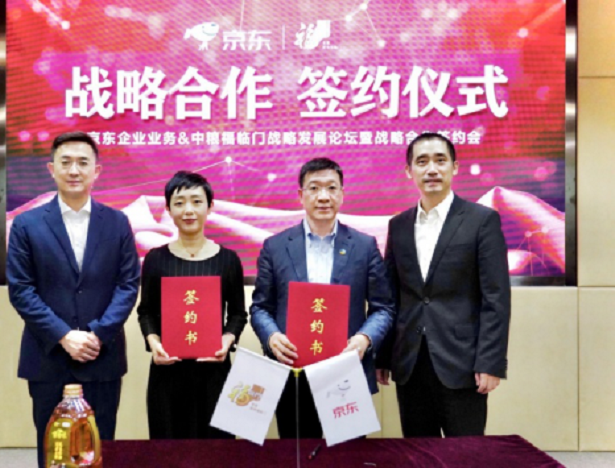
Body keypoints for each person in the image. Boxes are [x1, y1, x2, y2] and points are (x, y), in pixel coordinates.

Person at [7, 131, 140, 467]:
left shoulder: (118, 222)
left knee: (99, 449)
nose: (74, 170)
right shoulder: (26, 224)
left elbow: (128, 285)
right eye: (65, 162)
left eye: (83, 162)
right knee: (53, 451)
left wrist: (97, 334)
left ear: (97, 171)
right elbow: (21, 290)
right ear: (51, 169)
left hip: (101, 356)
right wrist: (64, 336)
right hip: (48, 357)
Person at [376, 132, 511, 438]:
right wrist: (383, 357)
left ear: (455, 167)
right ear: (409, 171)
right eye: (422, 162)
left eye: (440, 160)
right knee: (418, 453)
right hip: (410, 362)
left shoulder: (482, 220)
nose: (432, 169)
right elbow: (391, 296)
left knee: (464, 455)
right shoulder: (398, 225)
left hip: (463, 363)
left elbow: (496, 297)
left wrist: (490, 361)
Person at [250, 157, 394, 438]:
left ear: (342, 193)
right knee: (297, 454)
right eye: (314, 188)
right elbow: (260, 308)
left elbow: (383, 307)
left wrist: (364, 339)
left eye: (331, 188)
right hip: (292, 372)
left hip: (345, 372)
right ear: (301, 195)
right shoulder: (275, 246)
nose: (323, 196)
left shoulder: (364, 246)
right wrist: (271, 337)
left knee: (348, 456)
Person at [137, 171, 247, 439]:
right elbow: (146, 311)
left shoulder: (228, 259)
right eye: (179, 202)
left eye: (197, 202)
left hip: (214, 372)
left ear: (210, 207)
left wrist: (227, 340)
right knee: (169, 450)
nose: (188, 210)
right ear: (168, 209)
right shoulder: (155, 259)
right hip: (167, 373)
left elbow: (237, 314)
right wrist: (154, 343)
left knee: (217, 452)